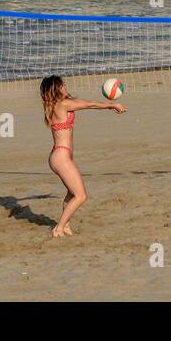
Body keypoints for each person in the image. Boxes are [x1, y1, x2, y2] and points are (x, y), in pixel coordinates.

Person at [40, 75, 126, 238]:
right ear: (57, 88)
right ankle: (58, 228)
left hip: (60, 155)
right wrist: (112, 105)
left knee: (72, 193)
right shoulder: (63, 104)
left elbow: (82, 103)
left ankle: (65, 226)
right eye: (63, 85)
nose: (66, 86)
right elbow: (89, 104)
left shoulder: (53, 105)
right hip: (61, 157)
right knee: (81, 196)